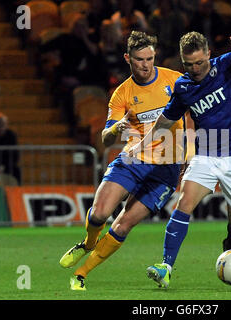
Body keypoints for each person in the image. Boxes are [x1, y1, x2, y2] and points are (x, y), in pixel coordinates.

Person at [59, 31, 193, 290]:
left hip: (166, 169)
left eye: (150, 58)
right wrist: (115, 130)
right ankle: (88, 242)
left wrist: (190, 152)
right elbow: (105, 139)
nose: (146, 65)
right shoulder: (121, 94)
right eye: (140, 59)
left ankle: (80, 274)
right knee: (99, 214)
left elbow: (195, 114)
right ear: (127, 59)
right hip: (133, 160)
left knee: (123, 223)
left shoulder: (174, 81)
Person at [129, 31, 231, 288]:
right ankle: (166, 267)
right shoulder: (183, 86)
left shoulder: (227, 65)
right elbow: (167, 119)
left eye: (199, 63)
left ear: (208, 55)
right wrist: (141, 145)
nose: (195, 69)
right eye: (189, 64)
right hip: (207, 156)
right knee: (184, 203)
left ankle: (230, 246)